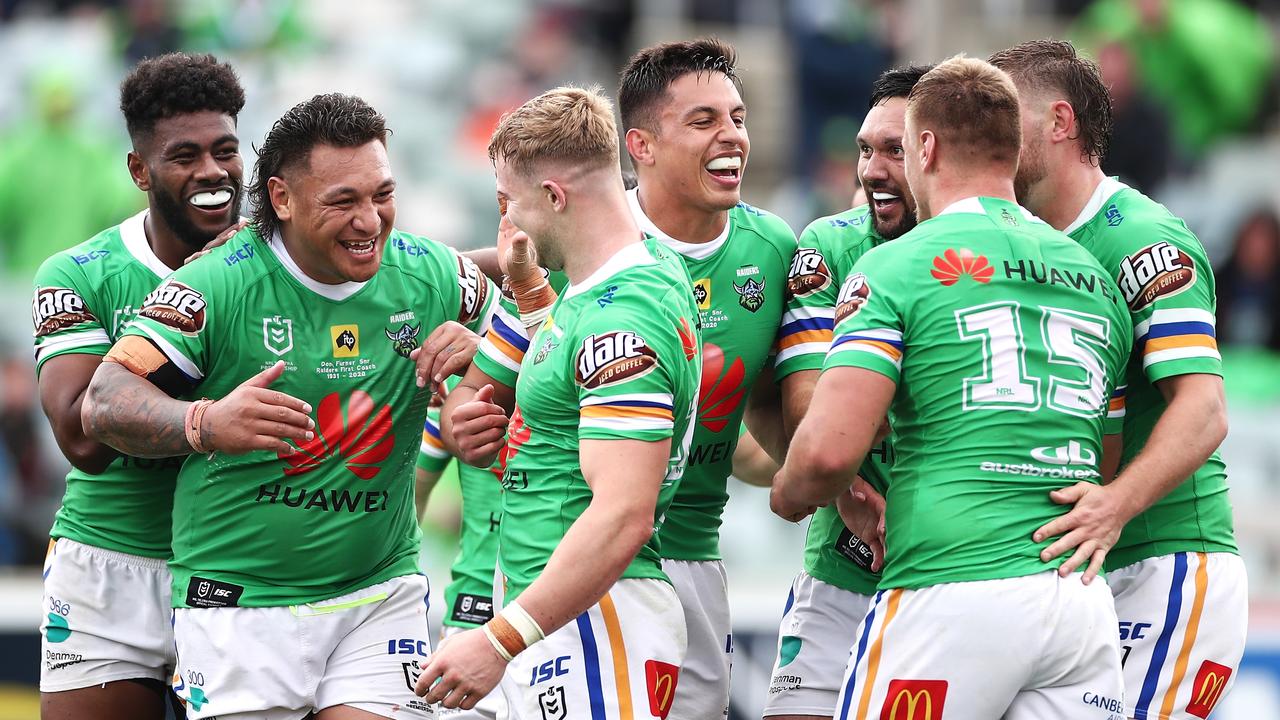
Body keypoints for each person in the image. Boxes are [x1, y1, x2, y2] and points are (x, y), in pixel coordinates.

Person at [81, 92, 502, 720]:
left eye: (381, 195)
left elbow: (545, 343)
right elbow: (103, 402)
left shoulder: (435, 276)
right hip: (240, 603)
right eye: (343, 202)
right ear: (282, 198)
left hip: (379, 594)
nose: (369, 221)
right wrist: (205, 423)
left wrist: (486, 356)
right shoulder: (217, 284)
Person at [772, 56, 1131, 718]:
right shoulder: (1095, 278)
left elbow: (824, 454)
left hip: (953, 584)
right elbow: (1102, 457)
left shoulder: (894, 267)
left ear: (926, 147)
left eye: (900, 147)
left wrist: (787, 493)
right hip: (1077, 603)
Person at [416, 86, 701, 720]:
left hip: (593, 621)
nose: (508, 225)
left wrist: (497, 641)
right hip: (559, 614)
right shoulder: (629, 276)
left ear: (554, 195)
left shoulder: (620, 320)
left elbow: (625, 513)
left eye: (511, 203)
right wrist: (531, 296)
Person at [990, 39, 1246, 720]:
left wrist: (1114, 505)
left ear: (1060, 122)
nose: (986, 137)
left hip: (1164, 559)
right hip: (1082, 574)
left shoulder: (1141, 240)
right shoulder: (1017, 242)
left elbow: (1204, 409)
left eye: (1002, 116)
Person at [31, 52, 245, 720]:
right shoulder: (79, 272)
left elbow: (411, 274)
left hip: (248, 566)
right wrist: (189, 297)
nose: (212, 172)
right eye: (184, 156)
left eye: (226, 150)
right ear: (139, 170)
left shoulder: (284, 260)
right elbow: (81, 439)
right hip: (110, 564)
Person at [617, 38, 796, 719]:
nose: (733, 137)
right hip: (580, 556)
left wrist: (820, 477)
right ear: (642, 145)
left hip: (696, 554)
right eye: (703, 121)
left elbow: (754, 435)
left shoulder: (774, 250)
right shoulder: (590, 238)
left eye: (739, 118)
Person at [764, 64, 929, 720]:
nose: (871, 169)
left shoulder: (988, 249)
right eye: (865, 149)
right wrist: (844, 488)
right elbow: (806, 410)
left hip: (952, 567)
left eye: (894, 150)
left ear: (937, 153)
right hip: (841, 564)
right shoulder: (829, 246)